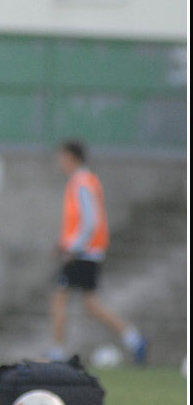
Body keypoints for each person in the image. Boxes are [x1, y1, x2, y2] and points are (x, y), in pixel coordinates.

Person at [51, 141, 147, 363]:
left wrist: (72, 247)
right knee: (91, 305)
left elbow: (90, 222)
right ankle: (134, 339)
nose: (60, 162)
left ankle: (58, 352)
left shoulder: (82, 182)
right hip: (87, 252)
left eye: (62, 157)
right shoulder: (84, 181)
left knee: (59, 296)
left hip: (83, 253)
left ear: (71, 157)